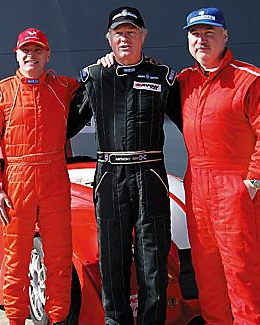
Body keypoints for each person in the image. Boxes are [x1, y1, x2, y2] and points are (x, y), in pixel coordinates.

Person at [68, 7, 182, 325]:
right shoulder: (95, 76)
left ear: (143, 37)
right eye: (119, 33)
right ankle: (116, 321)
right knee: (112, 257)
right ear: (109, 39)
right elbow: (64, 126)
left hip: (150, 175)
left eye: (131, 32)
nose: (125, 38)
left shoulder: (163, 77)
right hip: (110, 177)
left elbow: (196, 124)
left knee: (152, 258)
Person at [178, 7, 260, 325]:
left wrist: (252, 183)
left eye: (209, 33)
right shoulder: (185, 81)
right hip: (197, 185)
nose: (201, 40)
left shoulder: (250, 79)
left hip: (233, 186)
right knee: (207, 272)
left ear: (225, 36)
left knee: (242, 272)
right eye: (195, 34)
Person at [0, 28, 79, 325]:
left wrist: (112, 62)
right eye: (26, 50)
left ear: (48, 55)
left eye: (37, 50)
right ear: (17, 53)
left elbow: (96, 81)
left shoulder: (63, 87)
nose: (31, 55)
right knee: (15, 263)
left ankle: (58, 320)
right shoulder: (0, 93)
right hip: (15, 185)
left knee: (60, 259)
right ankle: (16, 321)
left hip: (54, 181)